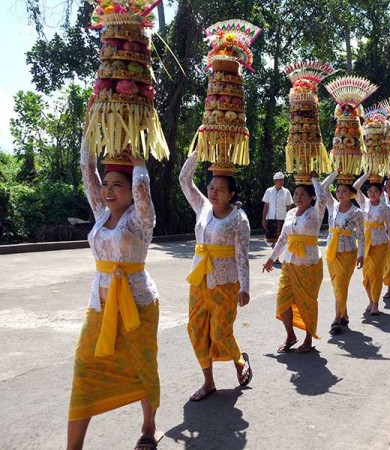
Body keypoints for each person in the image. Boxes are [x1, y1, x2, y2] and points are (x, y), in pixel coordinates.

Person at [68, 140, 161, 450]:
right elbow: (88, 172)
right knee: (84, 365)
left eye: (117, 185)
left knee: (142, 365)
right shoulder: (99, 212)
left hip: (138, 305)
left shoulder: (140, 218)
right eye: (106, 185)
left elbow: (143, 195)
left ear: (131, 188)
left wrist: (139, 166)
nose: (108, 191)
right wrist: (89, 131)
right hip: (100, 305)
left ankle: (149, 427)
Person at [179, 150, 252, 402]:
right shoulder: (203, 207)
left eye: (220, 189)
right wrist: (201, 150)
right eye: (211, 187)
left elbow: (242, 255)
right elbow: (184, 180)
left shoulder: (239, 219)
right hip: (199, 279)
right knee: (196, 328)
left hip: (226, 282)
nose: (213, 192)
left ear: (232, 194)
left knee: (221, 332)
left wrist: (245, 286)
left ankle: (239, 360)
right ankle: (208, 382)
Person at [262, 173, 327, 354]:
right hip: (289, 264)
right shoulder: (290, 213)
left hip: (309, 265)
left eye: (302, 194)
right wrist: (271, 259)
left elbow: (322, 197)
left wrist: (314, 179)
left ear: (311, 197)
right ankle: (290, 335)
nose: (298, 197)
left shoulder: (315, 212)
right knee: (282, 300)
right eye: (296, 194)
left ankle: (308, 339)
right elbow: (283, 239)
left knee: (307, 302)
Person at [321, 172, 365, 335]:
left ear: (352, 194)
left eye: (344, 191)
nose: (340, 194)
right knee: (337, 285)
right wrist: (336, 173)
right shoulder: (332, 205)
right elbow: (323, 187)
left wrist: (362, 254)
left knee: (341, 284)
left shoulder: (357, 212)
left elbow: (361, 235)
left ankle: (336, 319)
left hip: (348, 253)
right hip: (332, 251)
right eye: (338, 191)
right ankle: (344, 313)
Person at [355, 173, 390, 315]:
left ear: (381, 193)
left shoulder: (385, 208)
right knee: (366, 274)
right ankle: (370, 300)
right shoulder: (363, 202)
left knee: (377, 273)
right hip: (365, 242)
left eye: (376, 191)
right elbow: (355, 187)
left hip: (380, 243)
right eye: (370, 191)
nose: (372, 194)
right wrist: (367, 174)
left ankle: (376, 303)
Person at [262, 172, 293, 248]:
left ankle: (276, 257)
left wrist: (290, 219)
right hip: (271, 218)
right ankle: (275, 256)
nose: (281, 182)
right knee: (271, 239)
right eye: (279, 180)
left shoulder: (286, 192)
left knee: (280, 239)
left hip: (282, 218)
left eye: (282, 180)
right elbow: (266, 206)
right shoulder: (269, 191)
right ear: (275, 181)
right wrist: (264, 219)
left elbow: (289, 207)